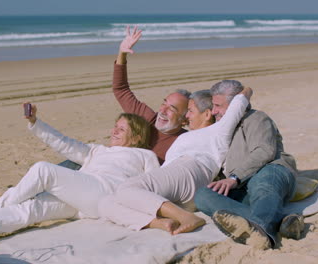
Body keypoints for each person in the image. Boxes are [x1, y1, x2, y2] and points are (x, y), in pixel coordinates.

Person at [0, 103, 159, 244]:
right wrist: (35, 122)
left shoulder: (145, 156)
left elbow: (157, 185)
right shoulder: (97, 151)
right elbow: (63, 143)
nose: (114, 131)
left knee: (43, 170)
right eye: (115, 126)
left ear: (137, 137)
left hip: (106, 194)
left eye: (121, 129)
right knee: (33, 208)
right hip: (81, 204)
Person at [98, 87, 252, 234]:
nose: (187, 116)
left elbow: (240, 101)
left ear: (206, 114)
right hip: (179, 188)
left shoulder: (217, 130)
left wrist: (246, 89)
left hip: (191, 169)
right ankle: (161, 223)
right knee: (107, 202)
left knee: (127, 189)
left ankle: (187, 218)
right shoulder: (184, 136)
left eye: (190, 111)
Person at [59, 26, 190, 169]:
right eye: (164, 103)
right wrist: (122, 53)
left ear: (184, 120)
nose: (163, 110)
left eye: (172, 108)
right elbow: (121, 89)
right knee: (71, 162)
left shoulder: (185, 142)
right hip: (108, 164)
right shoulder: (148, 119)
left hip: (129, 182)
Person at [194, 80, 302, 250]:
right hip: (242, 187)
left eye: (218, 106)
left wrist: (234, 178)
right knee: (202, 195)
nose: (213, 111)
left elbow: (264, 151)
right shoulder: (219, 130)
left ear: (236, 105)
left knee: (262, 182)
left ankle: (261, 232)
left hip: (271, 170)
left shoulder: (256, 118)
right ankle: (279, 222)